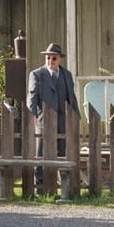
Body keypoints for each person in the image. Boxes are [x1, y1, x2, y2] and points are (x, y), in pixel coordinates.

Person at [26, 42, 80, 194]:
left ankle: (64, 189)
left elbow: (72, 99)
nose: (50, 61)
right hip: (44, 121)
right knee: (42, 155)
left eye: (53, 58)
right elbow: (32, 98)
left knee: (63, 155)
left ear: (59, 59)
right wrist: (36, 115)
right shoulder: (37, 75)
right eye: (48, 58)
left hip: (62, 121)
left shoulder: (66, 75)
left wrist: (76, 117)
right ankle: (40, 190)